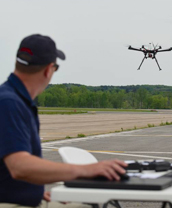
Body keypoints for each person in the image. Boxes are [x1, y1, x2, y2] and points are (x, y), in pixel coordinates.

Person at [0, 34, 127, 208]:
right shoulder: (9, 103)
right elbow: (20, 166)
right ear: (48, 70)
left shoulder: (14, 98)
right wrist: (86, 170)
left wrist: (34, 191)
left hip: (20, 199)